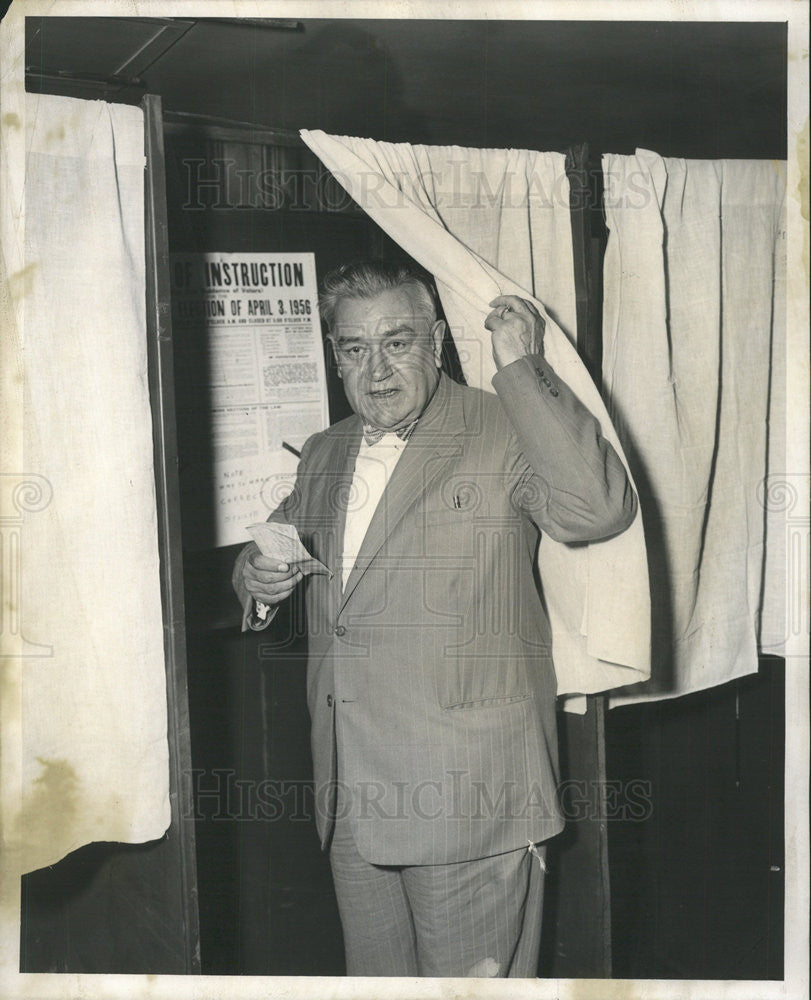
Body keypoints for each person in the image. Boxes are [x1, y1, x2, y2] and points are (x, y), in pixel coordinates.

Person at [232, 260, 637, 978]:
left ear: (438, 342)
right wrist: (257, 579)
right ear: (334, 356)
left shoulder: (500, 426)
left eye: (397, 341)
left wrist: (522, 367)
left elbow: (596, 508)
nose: (376, 368)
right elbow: (278, 543)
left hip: (467, 788)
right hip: (351, 791)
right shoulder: (325, 451)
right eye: (354, 348)